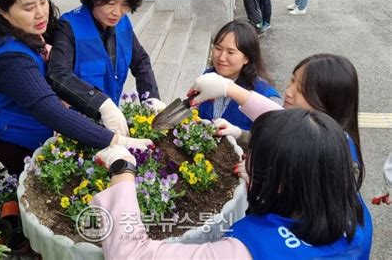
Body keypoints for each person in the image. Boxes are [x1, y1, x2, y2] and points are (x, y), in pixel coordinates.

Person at [92, 109, 372, 259]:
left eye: (253, 156)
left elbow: (131, 255)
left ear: (280, 184)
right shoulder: (350, 208)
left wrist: (123, 170)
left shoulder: (246, 252)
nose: (246, 158)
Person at [0, 0, 152, 175]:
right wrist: (114, 140)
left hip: (37, 119)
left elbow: (140, 60)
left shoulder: (34, 28)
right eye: (29, 8)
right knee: (35, 182)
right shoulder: (8, 59)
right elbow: (48, 109)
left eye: (43, 1)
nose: (40, 13)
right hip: (12, 133)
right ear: (3, 10)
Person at [190, 53, 365, 187]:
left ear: (329, 101)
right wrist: (240, 134)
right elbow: (279, 121)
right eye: (292, 81)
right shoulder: (313, 129)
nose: (288, 92)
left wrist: (261, 180)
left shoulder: (337, 159)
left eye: (302, 89)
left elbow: (300, 203)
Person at [48, 0, 165, 137]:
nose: (117, 12)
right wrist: (101, 104)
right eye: (111, 3)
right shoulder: (69, 26)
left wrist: (151, 98)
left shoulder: (122, 22)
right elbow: (58, 74)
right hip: (79, 125)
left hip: (111, 120)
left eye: (125, 4)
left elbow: (140, 60)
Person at [198, 21, 281, 135]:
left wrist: (239, 134)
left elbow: (277, 136)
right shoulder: (208, 76)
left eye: (231, 52)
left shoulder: (265, 95)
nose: (221, 57)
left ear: (247, 58)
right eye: (218, 48)